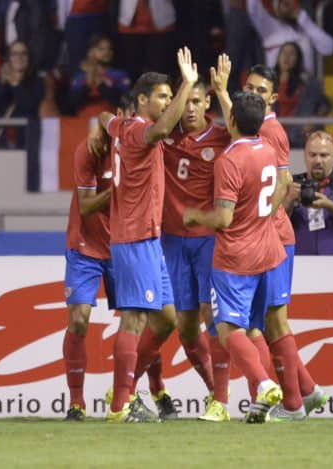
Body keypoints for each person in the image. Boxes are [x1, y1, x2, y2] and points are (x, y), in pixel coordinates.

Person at [211, 57, 328, 421]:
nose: (254, 97)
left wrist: (264, 216)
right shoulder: (257, 127)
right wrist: (220, 91)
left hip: (270, 238)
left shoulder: (273, 132)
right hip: (263, 237)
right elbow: (241, 124)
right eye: (249, 90)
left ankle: (292, 401)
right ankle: (306, 391)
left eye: (261, 92)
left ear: (274, 98)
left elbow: (285, 183)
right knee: (261, 325)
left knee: (270, 323)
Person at [94, 47, 197, 423]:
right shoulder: (139, 130)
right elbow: (164, 128)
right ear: (142, 100)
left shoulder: (120, 126)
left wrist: (98, 123)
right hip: (135, 238)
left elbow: (104, 117)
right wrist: (187, 83)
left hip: (148, 240)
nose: (169, 102)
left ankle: (124, 389)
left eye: (171, 96)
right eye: (163, 96)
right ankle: (121, 404)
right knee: (134, 319)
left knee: (166, 318)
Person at [183, 91, 285, 424]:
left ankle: (263, 384)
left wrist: (196, 215)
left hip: (236, 257)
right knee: (255, 331)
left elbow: (223, 218)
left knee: (226, 330)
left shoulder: (228, 160)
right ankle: (258, 406)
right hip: (268, 251)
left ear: (231, 121)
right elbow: (283, 185)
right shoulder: (268, 150)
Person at [160, 76, 231, 419]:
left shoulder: (221, 137)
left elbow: (247, 134)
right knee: (185, 326)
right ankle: (212, 392)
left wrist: (225, 91)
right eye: (184, 101)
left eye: (196, 101)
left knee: (211, 315)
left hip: (208, 240)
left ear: (207, 104)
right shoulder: (165, 136)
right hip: (172, 240)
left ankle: (222, 398)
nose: (189, 108)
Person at [62, 95, 132, 422]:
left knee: (141, 319)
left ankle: (152, 392)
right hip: (85, 246)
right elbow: (87, 204)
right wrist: (118, 188)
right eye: (126, 117)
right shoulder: (89, 150)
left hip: (122, 246)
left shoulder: (139, 148)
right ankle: (76, 402)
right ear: (119, 116)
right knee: (78, 319)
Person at [245, 0, 333, 74]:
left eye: (292, 3)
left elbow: (329, 48)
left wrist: (301, 18)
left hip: (302, 86)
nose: (288, 6)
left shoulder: (306, 27)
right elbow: (253, 8)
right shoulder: (269, 27)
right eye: (284, 3)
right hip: (277, 86)